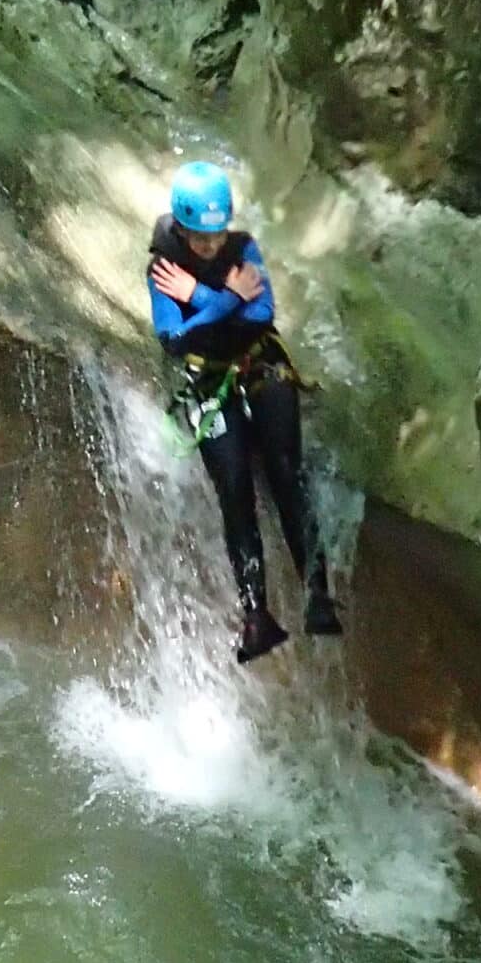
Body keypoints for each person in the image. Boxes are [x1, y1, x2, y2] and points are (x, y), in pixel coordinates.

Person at [148, 160, 340, 663]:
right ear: (182, 226)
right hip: (210, 379)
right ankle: (256, 615)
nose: (211, 245)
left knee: (284, 469)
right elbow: (172, 338)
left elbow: (261, 313)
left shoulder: (242, 247)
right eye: (201, 237)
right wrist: (224, 299)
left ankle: (318, 594)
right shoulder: (163, 266)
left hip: (261, 366)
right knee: (234, 485)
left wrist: (202, 300)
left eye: (217, 234)